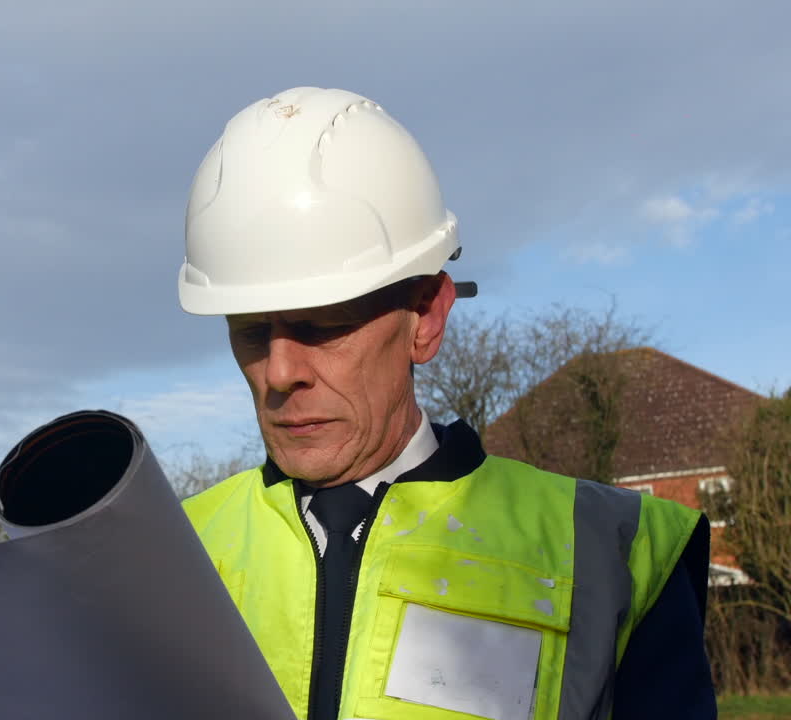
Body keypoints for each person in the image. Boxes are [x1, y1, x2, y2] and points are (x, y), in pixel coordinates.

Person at [178, 87, 715, 720]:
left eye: (320, 326)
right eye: (250, 331)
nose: (280, 372)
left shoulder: (608, 552)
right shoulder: (173, 552)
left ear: (425, 318)